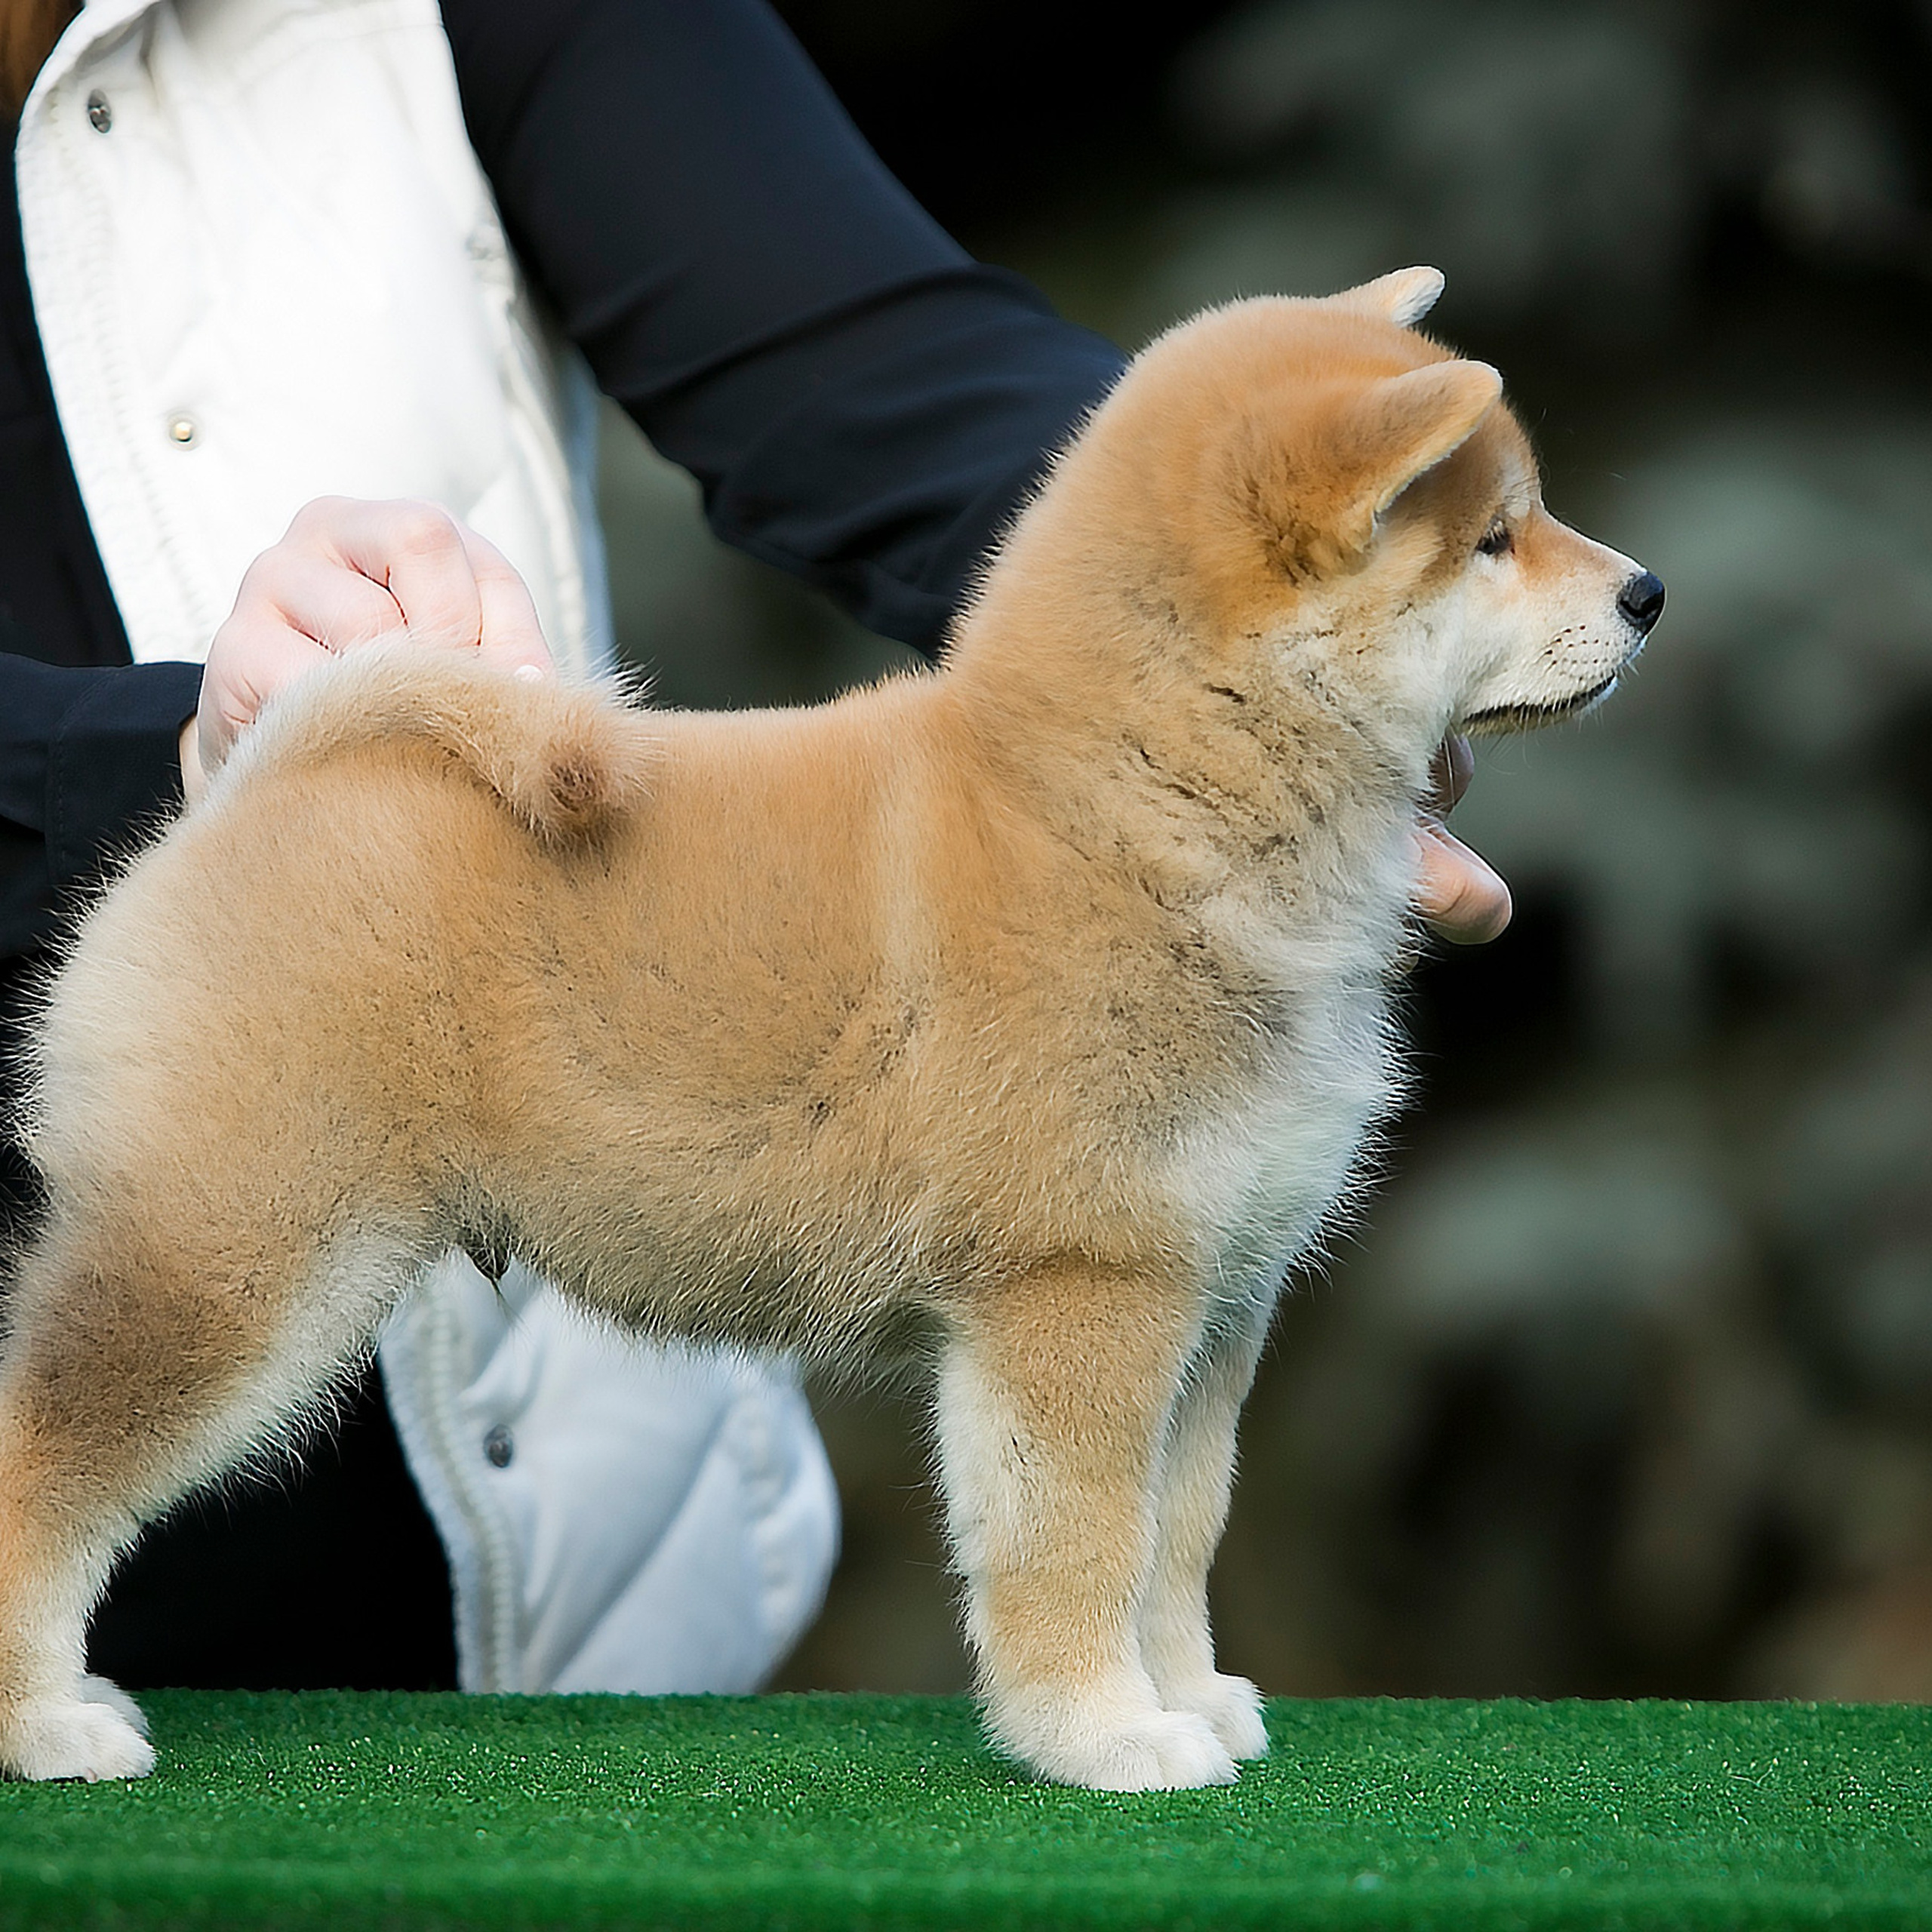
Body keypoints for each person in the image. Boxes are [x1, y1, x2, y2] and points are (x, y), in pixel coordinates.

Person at [0, 0, 1509, 1697]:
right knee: (147, 1349)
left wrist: (1211, 597)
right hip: (277, 987)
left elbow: (868, 358)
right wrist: (141, 757)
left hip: (576, 1543)